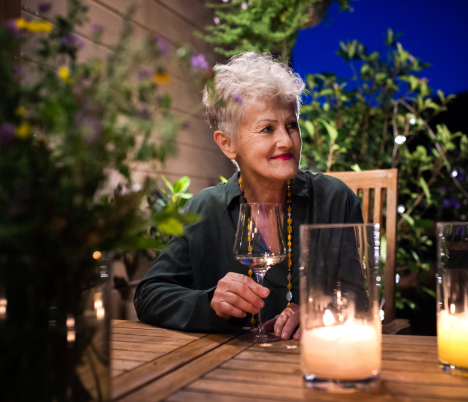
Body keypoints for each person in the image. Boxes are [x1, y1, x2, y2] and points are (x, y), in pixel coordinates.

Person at [134, 52, 362, 340]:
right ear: (228, 144)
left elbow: (359, 297)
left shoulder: (334, 200)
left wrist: (323, 312)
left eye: (291, 125)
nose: (286, 140)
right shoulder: (204, 209)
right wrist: (210, 303)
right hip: (226, 369)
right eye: (267, 129)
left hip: (316, 366)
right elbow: (149, 295)